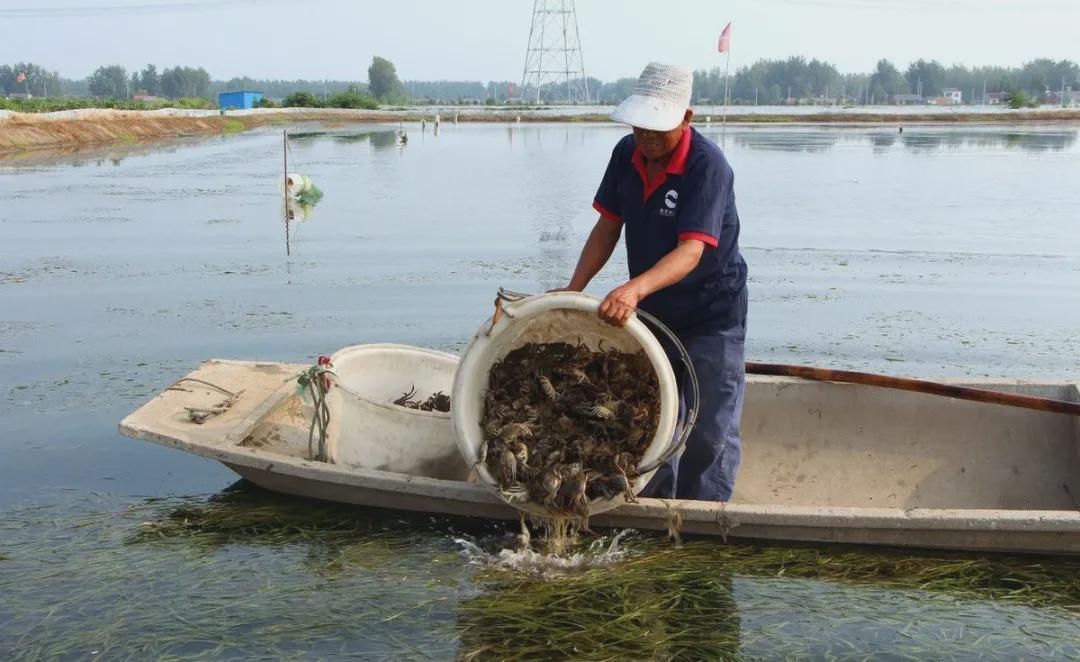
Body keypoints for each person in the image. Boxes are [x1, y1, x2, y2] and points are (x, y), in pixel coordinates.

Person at [557, 62, 748, 502]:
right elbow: (608, 227)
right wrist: (575, 287)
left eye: (658, 127)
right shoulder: (626, 155)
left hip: (710, 314)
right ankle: (653, 510)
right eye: (641, 124)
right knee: (651, 418)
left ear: (686, 118)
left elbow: (691, 252)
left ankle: (701, 517)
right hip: (655, 316)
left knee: (710, 431)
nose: (647, 136)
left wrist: (633, 288)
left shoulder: (707, 166)